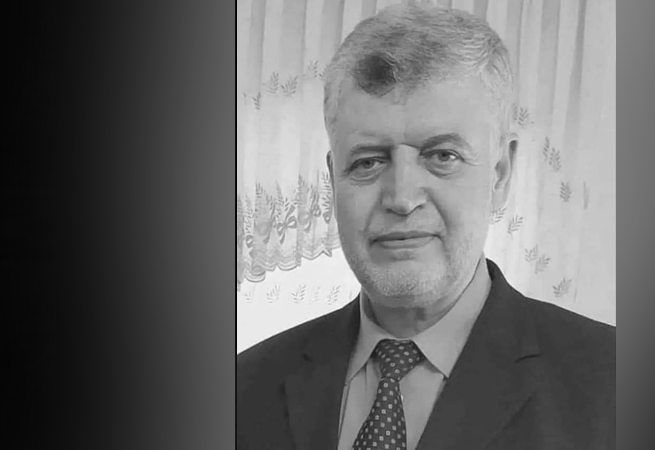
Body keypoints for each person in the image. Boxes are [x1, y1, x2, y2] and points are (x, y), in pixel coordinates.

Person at [237, 3, 615, 449]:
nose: (401, 198)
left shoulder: (611, 386)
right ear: (333, 179)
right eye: (368, 162)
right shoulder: (244, 389)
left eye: (442, 156)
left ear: (500, 174)